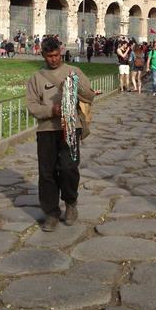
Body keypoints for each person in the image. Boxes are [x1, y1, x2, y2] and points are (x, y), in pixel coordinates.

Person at [26, 36, 96, 231]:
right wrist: (51, 111)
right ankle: (51, 213)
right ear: (43, 55)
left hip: (71, 127)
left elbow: (90, 96)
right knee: (46, 173)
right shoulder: (36, 78)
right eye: (49, 56)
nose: (54, 59)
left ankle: (71, 203)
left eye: (56, 55)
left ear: (61, 52)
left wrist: (75, 88)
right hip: (47, 130)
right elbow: (32, 106)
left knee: (68, 168)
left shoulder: (74, 71)